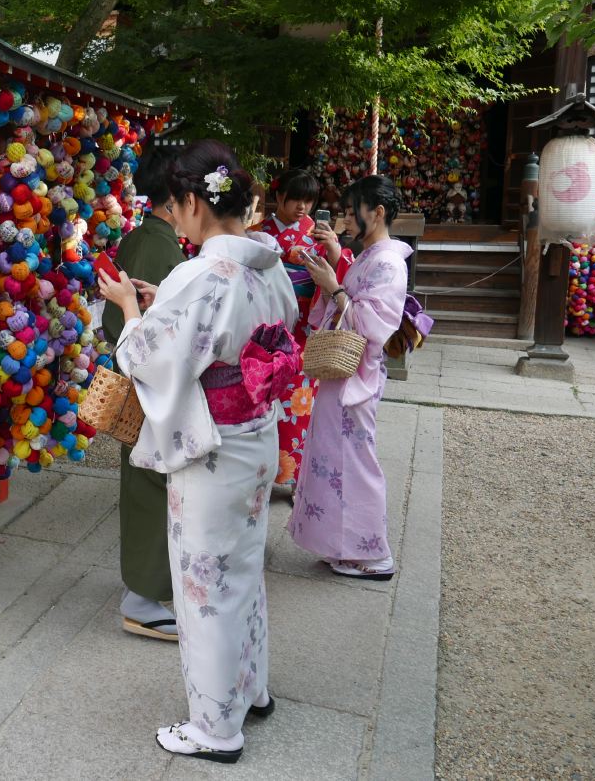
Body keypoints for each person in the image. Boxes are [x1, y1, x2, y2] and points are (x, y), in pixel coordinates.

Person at [99, 140, 299, 763]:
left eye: (177, 206)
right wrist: (166, 304)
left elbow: (147, 356)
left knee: (206, 583)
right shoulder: (267, 266)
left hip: (214, 446)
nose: (176, 218)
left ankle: (215, 728)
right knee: (243, 572)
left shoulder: (201, 273)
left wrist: (132, 308)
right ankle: (252, 690)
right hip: (257, 435)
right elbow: (230, 332)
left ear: (192, 201)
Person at [289, 175, 410, 581]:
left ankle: (373, 553)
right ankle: (340, 544)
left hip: (358, 376)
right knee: (331, 459)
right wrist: (334, 274)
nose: (345, 217)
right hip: (341, 374)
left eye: (350, 210)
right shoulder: (368, 256)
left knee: (356, 464)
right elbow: (343, 301)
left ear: (377, 212)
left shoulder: (389, 262)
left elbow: (376, 325)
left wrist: (335, 288)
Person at [100, 139, 186, 641]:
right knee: (152, 482)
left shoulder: (145, 237)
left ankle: (146, 587)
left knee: (146, 480)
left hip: (138, 368)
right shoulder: (159, 244)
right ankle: (143, 594)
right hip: (148, 375)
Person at [260, 168, 328, 490]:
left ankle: (294, 478)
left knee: (300, 403)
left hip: (302, 330)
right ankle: (260, 472)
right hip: (267, 329)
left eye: (308, 200)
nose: (303, 207)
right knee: (263, 399)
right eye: (296, 199)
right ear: (279, 196)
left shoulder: (317, 234)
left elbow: (332, 275)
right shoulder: (258, 233)